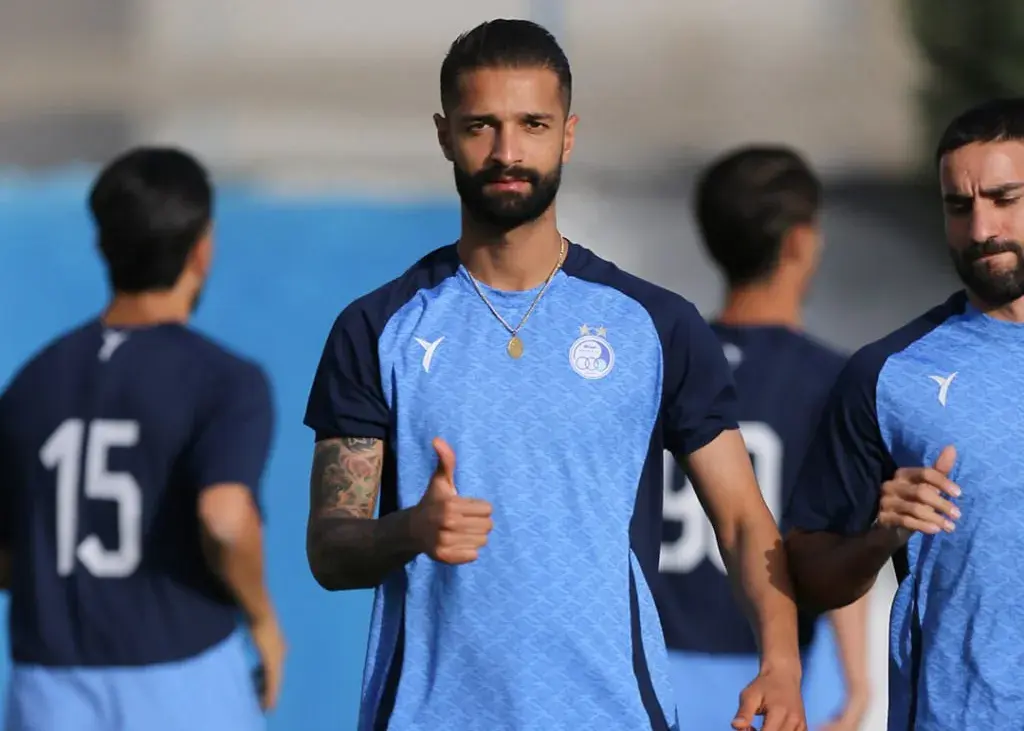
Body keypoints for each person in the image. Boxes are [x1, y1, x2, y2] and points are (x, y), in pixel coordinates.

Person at [304, 18, 806, 731]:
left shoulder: (655, 324)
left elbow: (742, 520)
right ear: (445, 135)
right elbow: (330, 548)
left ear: (567, 135)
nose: (507, 152)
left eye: (532, 125)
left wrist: (781, 662)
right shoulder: (377, 327)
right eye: (481, 126)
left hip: (611, 714)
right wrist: (410, 530)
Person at [0, 147, 286, 731]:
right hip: (181, 680)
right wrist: (262, 620)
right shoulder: (224, 379)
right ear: (201, 250)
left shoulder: (30, 383)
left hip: (48, 689)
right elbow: (225, 520)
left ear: (104, 245)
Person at [783, 96, 1024, 730]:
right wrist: (881, 537)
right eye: (959, 206)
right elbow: (809, 573)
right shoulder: (888, 375)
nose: (981, 229)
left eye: (1005, 199)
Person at [657, 146, 871, 731]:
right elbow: (840, 537)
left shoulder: (667, 365)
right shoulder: (835, 381)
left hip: (657, 672)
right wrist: (857, 683)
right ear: (801, 242)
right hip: (779, 678)